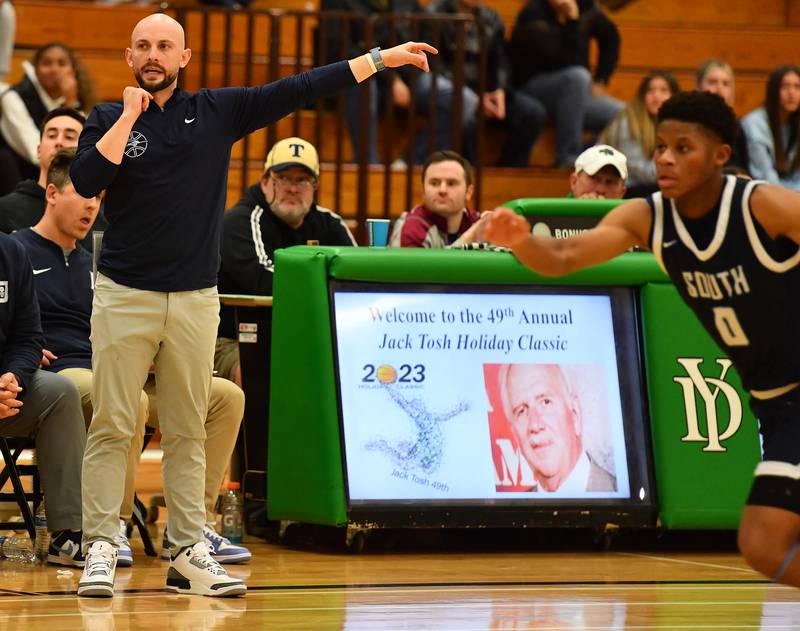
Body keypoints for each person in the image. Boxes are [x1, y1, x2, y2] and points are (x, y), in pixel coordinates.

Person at [69, 12, 435, 598]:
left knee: (188, 427)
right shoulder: (109, 118)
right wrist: (132, 115)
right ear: (129, 57)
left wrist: (379, 60)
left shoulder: (217, 111)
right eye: (143, 46)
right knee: (115, 422)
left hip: (194, 297)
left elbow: (299, 88)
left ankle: (188, 549)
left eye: (166, 46)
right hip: (123, 294)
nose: (154, 55)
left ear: (184, 58)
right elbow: (87, 181)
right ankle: (101, 548)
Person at [485, 90, 800, 588]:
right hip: (775, 406)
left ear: (720, 156)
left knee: (766, 540)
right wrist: (522, 241)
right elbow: (566, 260)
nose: (667, 159)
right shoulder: (648, 217)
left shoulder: (762, 205)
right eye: (660, 147)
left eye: (683, 148)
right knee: (763, 545)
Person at [13, 149, 250, 569]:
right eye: (83, 194)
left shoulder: (105, 264)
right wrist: (26, 351)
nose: (92, 206)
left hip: (127, 365)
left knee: (225, 397)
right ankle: (112, 526)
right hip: (64, 372)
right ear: (51, 193)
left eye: (99, 199)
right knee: (128, 402)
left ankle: (191, 526)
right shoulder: (17, 251)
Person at [216, 136, 355, 385]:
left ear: (315, 186)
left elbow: (354, 277)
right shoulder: (240, 221)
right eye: (284, 179)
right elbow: (263, 281)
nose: (293, 188)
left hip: (308, 337)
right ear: (266, 181)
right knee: (254, 366)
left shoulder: (329, 223)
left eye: (302, 180)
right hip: (233, 338)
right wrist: (323, 287)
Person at [0, 231, 86, 568]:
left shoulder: (11, 252)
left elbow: (28, 336)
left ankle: (68, 534)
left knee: (60, 393)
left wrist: (13, 378)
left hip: (7, 392)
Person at [411, 0, 543, 167]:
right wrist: (475, 97)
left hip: (483, 92)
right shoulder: (433, 14)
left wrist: (498, 90)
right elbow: (434, 66)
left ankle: (507, 175)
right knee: (465, 104)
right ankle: (465, 169)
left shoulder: (492, 18)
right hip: (448, 89)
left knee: (531, 113)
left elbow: (500, 62)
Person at [508, 0, 623, 168]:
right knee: (578, 77)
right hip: (533, 91)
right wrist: (572, 22)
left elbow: (611, 36)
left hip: (574, 97)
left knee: (622, 116)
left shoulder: (586, 8)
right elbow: (560, 57)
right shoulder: (533, 13)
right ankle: (567, 157)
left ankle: (588, 160)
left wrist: (601, 79)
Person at [321, 0, 424, 164]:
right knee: (362, 80)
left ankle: (408, 163)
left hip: (406, 75)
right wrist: (392, 79)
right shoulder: (336, 4)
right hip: (364, 77)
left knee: (455, 97)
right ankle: (368, 165)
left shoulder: (405, 3)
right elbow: (341, 50)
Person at [499, 363, 616, 492]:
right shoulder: (514, 509)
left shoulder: (617, 493)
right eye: (521, 411)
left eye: (546, 402)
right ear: (515, 435)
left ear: (575, 414)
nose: (534, 425)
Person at [0, 107, 106, 247]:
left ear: (85, 151)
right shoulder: (5, 210)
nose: (59, 142)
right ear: (38, 150)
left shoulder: (97, 217)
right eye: (51, 135)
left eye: (69, 137)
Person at [0, 42, 96, 195]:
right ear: (36, 70)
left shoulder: (79, 101)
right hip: (22, 184)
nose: (54, 69)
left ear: (73, 70)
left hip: (63, 183)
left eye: (62, 63)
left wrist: (71, 102)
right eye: (47, 63)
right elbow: (35, 153)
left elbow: (87, 149)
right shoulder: (13, 98)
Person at [599, 70, 680, 196]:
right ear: (642, 97)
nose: (657, 96)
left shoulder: (675, 125)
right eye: (650, 91)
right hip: (625, 188)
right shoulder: (629, 123)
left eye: (664, 90)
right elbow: (643, 174)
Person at [389, 150, 486, 248]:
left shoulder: (478, 224)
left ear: (468, 192)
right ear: (423, 190)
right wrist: (468, 238)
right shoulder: (411, 228)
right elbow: (421, 264)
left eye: (451, 183)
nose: (442, 190)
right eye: (434, 183)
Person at [742, 64, 800, 191]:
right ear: (774, 91)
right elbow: (764, 176)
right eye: (785, 87)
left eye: (797, 87)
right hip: (763, 194)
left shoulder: (796, 123)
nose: (792, 93)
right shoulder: (755, 123)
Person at [695, 59, 749, 173]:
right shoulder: (688, 122)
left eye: (725, 83)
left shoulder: (737, 126)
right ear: (699, 87)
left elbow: (744, 167)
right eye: (712, 82)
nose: (719, 88)